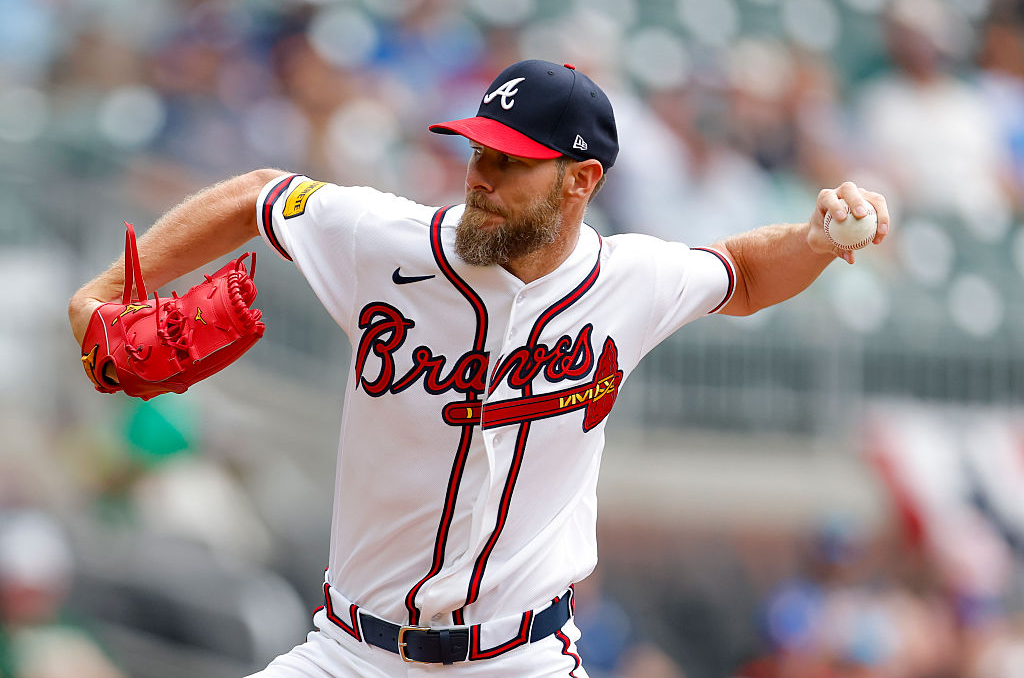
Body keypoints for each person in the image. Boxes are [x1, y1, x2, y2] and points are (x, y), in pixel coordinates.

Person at [68, 59, 890, 676]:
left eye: (511, 162)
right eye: (478, 154)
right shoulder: (382, 240)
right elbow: (255, 194)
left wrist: (816, 241)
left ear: (581, 180)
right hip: (353, 651)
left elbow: (741, 272)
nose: (482, 178)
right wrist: (107, 288)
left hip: (519, 657)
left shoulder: (628, 279)